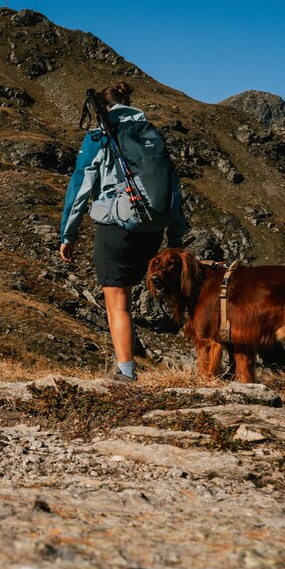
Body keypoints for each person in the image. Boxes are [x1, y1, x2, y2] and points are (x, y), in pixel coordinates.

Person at [59, 81, 188, 382]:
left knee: (118, 303)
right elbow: (172, 186)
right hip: (153, 228)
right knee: (134, 296)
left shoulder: (99, 137)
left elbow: (80, 188)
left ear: (103, 107)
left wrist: (68, 235)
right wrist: (176, 238)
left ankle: (126, 372)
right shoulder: (151, 135)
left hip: (115, 228)